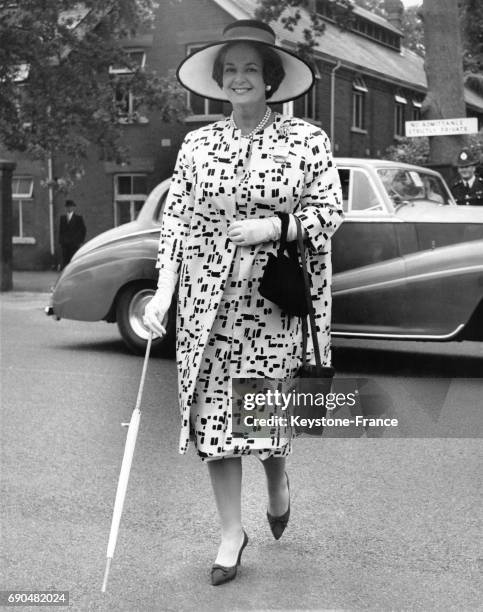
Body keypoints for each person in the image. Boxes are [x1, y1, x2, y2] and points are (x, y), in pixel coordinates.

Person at [143, 19, 344, 586]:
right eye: (229, 69)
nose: (238, 78)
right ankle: (231, 531)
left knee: (261, 420)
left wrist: (273, 228)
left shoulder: (307, 141)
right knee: (214, 422)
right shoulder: (199, 143)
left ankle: (277, 480)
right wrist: (164, 291)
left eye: (250, 68)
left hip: (272, 307)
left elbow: (329, 213)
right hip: (210, 306)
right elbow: (176, 225)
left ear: (271, 78)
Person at [59, 200, 86, 268]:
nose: (69, 208)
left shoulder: (78, 218)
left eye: (70, 207)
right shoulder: (62, 218)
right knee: (65, 260)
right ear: (66, 208)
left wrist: (80, 241)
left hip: (74, 244)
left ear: (73, 208)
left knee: (73, 260)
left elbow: (83, 230)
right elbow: (61, 231)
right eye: (67, 207)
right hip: (65, 244)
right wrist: (61, 241)